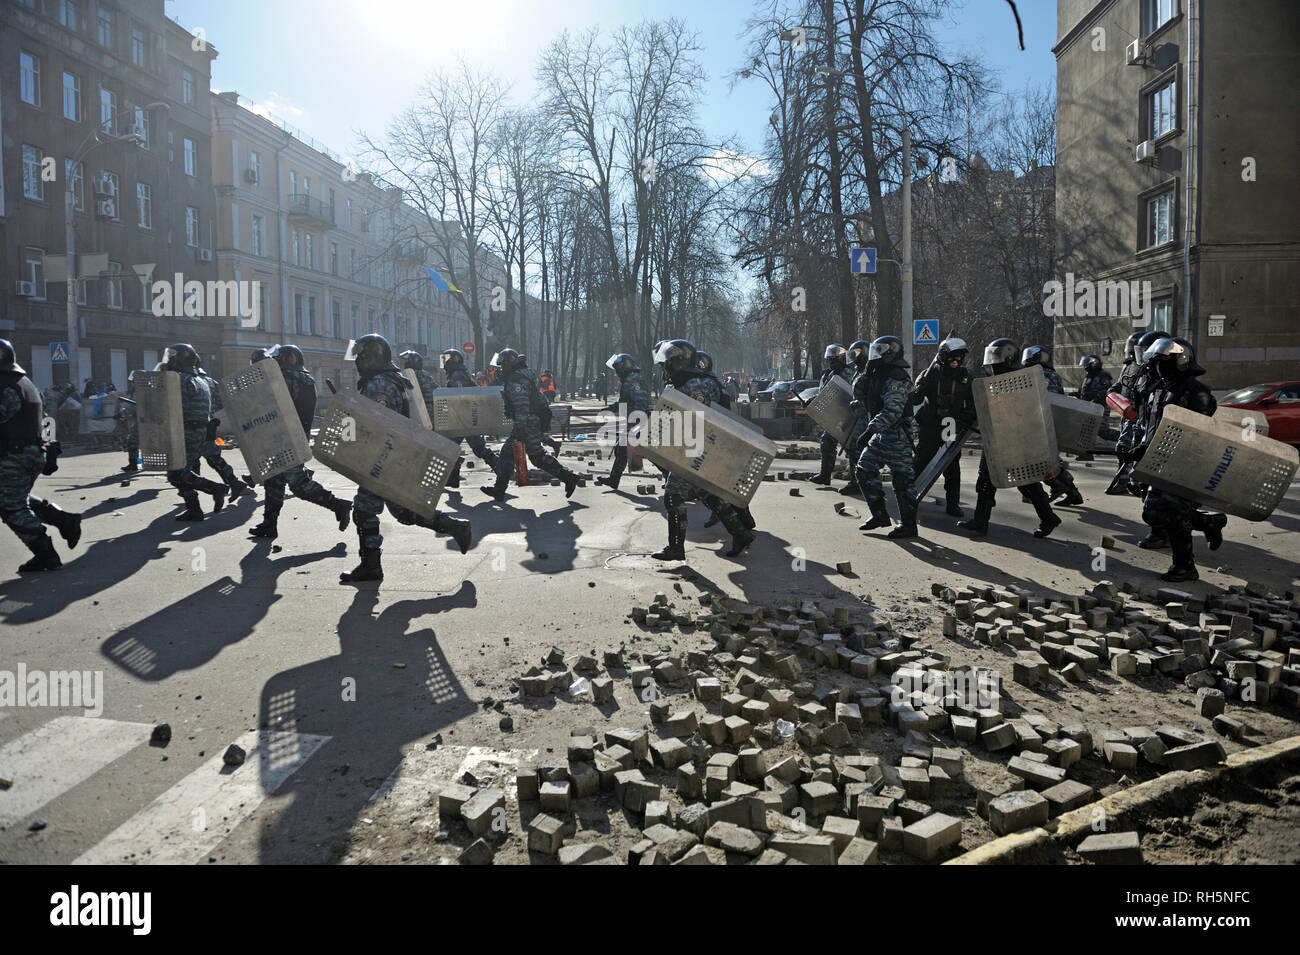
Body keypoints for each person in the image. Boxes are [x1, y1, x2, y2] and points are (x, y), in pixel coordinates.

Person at [340, 334, 472, 583]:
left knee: (364, 509)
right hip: (394, 454)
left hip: (383, 455)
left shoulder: (379, 384)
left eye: (361, 354)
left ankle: (371, 566)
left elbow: (379, 420)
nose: (358, 359)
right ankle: (455, 526)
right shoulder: (388, 378)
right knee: (405, 511)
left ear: (372, 356)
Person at [650, 339, 754, 560]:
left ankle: (676, 549)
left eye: (668, 363)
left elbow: (698, 419)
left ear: (679, 361)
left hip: (698, 447)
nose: (665, 368)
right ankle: (740, 533)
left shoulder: (697, 384)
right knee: (705, 491)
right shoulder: (690, 381)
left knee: (672, 496)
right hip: (697, 445)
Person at [1136, 337, 1226, 581]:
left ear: (1180, 360)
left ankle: (1185, 566)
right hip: (1159, 461)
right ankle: (1208, 524)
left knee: (1168, 511)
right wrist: (1142, 447)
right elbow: (1153, 426)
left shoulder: (1196, 393)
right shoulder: (1160, 389)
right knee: (1153, 513)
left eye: (1162, 361)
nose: (1156, 367)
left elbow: (1196, 435)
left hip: (1183, 465)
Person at [957, 338, 1061, 538]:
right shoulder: (997, 382)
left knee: (1026, 481)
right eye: (992, 358)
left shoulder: (1024, 381)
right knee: (987, 479)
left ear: (1008, 358)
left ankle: (1048, 517)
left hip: (1016, 439)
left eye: (997, 358)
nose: (993, 363)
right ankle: (980, 522)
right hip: (996, 437)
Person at [247, 345, 353, 541]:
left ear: (288, 359)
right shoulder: (306, 377)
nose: (275, 362)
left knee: (297, 483)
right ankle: (269, 524)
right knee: (273, 480)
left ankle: (338, 505)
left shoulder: (285, 378)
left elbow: (267, 401)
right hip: (296, 434)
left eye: (278, 359)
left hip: (285, 436)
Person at [0, 339, 82, 572]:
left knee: (11, 508)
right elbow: (47, 420)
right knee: (17, 497)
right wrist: (51, 451)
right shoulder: (25, 383)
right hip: (28, 453)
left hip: (13, 455)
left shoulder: (5, 386)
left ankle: (45, 553)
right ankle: (64, 520)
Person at [481, 347, 582, 502]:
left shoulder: (516, 379)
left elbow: (522, 405)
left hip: (526, 422)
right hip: (528, 421)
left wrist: (520, 426)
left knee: (535, 457)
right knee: (510, 453)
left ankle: (569, 478)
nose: (501, 369)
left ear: (509, 363)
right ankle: (499, 490)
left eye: (503, 365)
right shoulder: (521, 375)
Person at [851, 337, 918, 540]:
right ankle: (879, 515)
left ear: (890, 353)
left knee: (902, 480)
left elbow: (892, 410)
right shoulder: (878, 373)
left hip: (898, 436)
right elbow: (863, 392)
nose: (875, 356)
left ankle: (908, 526)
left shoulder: (897, 377)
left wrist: (870, 431)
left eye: (879, 352)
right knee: (863, 470)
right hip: (881, 434)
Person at [161, 344, 229, 521]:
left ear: (181, 358)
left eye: (173, 356)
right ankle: (195, 508)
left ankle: (215, 490)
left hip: (188, 430)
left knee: (177, 474)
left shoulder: (181, 379)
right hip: (199, 430)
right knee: (180, 472)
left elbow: (173, 406)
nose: (170, 360)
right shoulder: (199, 379)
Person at [911, 337, 974, 517]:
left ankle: (953, 504)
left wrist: (963, 419)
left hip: (951, 424)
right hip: (930, 424)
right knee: (921, 461)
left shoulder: (966, 377)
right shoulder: (929, 373)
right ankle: (909, 499)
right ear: (943, 357)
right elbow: (914, 400)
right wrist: (919, 388)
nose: (956, 362)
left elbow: (972, 404)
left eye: (960, 358)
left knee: (952, 465)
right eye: (952, 358)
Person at [1021, 345, 1083, 507]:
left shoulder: (1034, 374)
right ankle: (1073, 493)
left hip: (1037, 422)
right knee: (1049, 458)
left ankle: (1056, 485)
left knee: (1034, 459)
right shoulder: (1053, 375)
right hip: (1053, 422)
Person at [440, 348, 499, 484]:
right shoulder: (459, 374)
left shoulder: (457, 376)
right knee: (467, 448)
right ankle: (453, 477)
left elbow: (457, 397)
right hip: (463, 418)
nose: (444, 363)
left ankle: (500, 467)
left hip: (462, 419)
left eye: (446, 359)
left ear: (453, 360)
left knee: (466, 448)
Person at [197, 364, 254, 501]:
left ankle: (193, 493)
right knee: (212, 457)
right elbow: (223, 402)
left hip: (196, 426)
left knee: (194, 460)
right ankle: (234, 484)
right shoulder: (211, 382)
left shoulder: (187, 382)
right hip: (209, 424)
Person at [596, 352, 649, 492]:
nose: (617, 373)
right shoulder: (629, 379)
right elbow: (624, 402)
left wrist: (635, 422)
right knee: (622, 450)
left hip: (638, 420)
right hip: (634, 419)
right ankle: (613, 480)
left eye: (618, 369)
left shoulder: (634, 379)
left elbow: (641, 401)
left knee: (650, 452)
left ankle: (670, 479)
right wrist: (610, 408)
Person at [810, 344, 852, 487]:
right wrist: (813, 400)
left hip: (848, 417)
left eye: (834, 360)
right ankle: (825, 475)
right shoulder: (827, 375)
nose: (831, 363)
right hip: (833, 417)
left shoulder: (848, 374)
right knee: (826, 442)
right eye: (829, 360)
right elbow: (823, 394)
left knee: (852, 448)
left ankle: (857, 481)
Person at [118, 371, 140, 472]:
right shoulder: (137, 391)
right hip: (139, 420)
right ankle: (133, 464)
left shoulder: (137, 392)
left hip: (140, 421)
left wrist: (124, 413)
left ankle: (133, 464)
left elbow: (133, 406)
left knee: (132, 442)